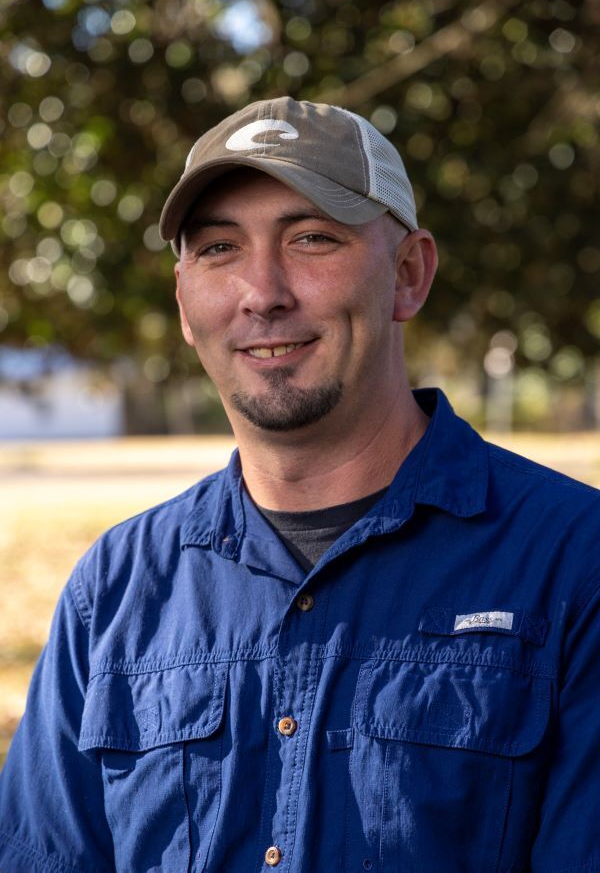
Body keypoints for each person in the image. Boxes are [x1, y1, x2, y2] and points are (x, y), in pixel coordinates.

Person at [1, 97, 599, 872]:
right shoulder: (114, 591)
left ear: (409, 275)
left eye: (312, 238)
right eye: (219, 248)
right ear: (183, 301)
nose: (263, 291)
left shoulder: (574, 561)